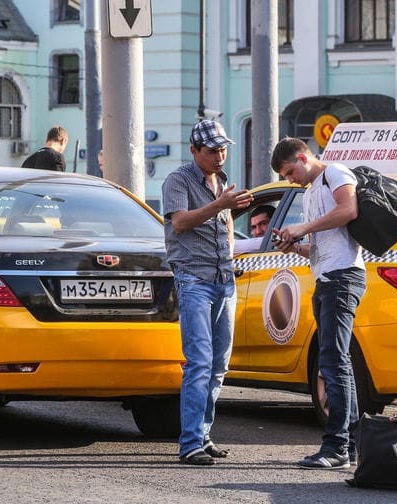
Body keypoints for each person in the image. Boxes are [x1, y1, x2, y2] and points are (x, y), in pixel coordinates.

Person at [269, 137, 366, 470]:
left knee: (333, 361)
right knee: (336, 362)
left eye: (290, 171)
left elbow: (349, 210)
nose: (290, 179)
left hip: (344, 278)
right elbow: (322, 246)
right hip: (326, 278)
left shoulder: (335, 173)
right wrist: (294, 246)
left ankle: (337, 446)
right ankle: (350, 444)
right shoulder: (311, 192)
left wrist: (303, 227)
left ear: (303, 157)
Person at [162, 120, 253, 466]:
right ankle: (189, 444)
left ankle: (203, 434)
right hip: (194, 279)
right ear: (194, 151)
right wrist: (220, 205)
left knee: (218, 364)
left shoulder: (222, 184)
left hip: (223, 279)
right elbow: (180, 222)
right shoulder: (178, 180)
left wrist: (230, 256)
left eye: (223, 149)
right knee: (199, 362)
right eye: (213, 151)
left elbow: (226, 226)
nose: (220, 156)